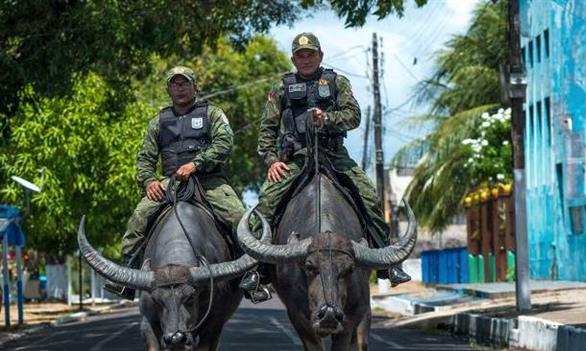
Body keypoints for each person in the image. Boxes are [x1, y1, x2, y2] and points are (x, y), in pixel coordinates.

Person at [243, 32, 411, 290]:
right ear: (293, 59)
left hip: (334, 155)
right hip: (296, 158)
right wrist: (272, 161)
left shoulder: (337, 82)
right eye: (301, 55)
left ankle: (389, 262)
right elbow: (267, 129)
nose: (306, 59)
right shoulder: (281, 88)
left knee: (368, 197)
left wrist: (327, 119)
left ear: (320, 55)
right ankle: (256, 268)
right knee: (266, 204)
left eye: (311, 54)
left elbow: (353, 116)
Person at [107, 66, 271, 302]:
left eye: (184, 83)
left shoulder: (212, 114)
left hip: (209, 181)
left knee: (239, 218)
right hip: (170, 182)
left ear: (195, 86)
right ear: (168, 89)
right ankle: (126, 275)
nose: (180, 88)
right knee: (139, 217)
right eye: (175, 84)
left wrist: (196, 164)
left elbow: (224, 144)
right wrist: (149, 181)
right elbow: (144, 158)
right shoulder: (158, 122)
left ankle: (254, 275)